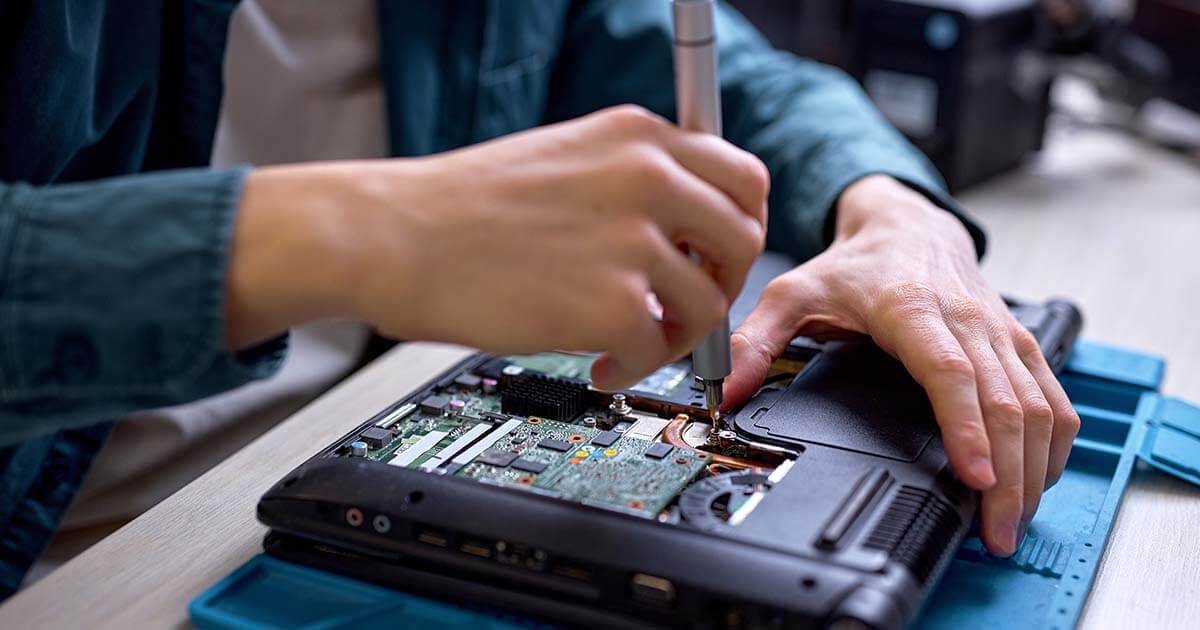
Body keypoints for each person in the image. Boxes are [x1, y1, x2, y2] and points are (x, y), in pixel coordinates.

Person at [0, 0, 1078, 595]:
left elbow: (746, 81)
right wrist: (330, 235)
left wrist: (897, 214)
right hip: (74, 559)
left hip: (344, 468)